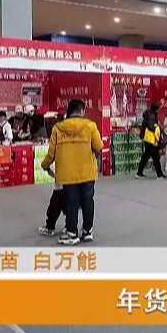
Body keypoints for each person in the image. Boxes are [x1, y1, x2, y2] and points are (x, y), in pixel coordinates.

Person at [41, 99, 103, 245]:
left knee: (71, 203)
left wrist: (45, 165)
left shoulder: (58, 128)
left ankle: (72, 234)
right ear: (81, 110)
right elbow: (98, 147)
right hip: (87, 172)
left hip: (67, 174)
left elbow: (51, 154)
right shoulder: (90, 126)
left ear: (69, 111)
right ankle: (87, 232)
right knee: (88, 202)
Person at [136, 103, 166, 180]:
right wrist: (158, 127)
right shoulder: (152, 115)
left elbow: (145, 126)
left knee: (146, 156)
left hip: (147, 139)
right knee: (155, 157)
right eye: (158, 108)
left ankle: (139, 173)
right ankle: (159, 175)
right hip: (152, 139)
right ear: (156, 109)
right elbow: (151, 126)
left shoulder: (148, 114)